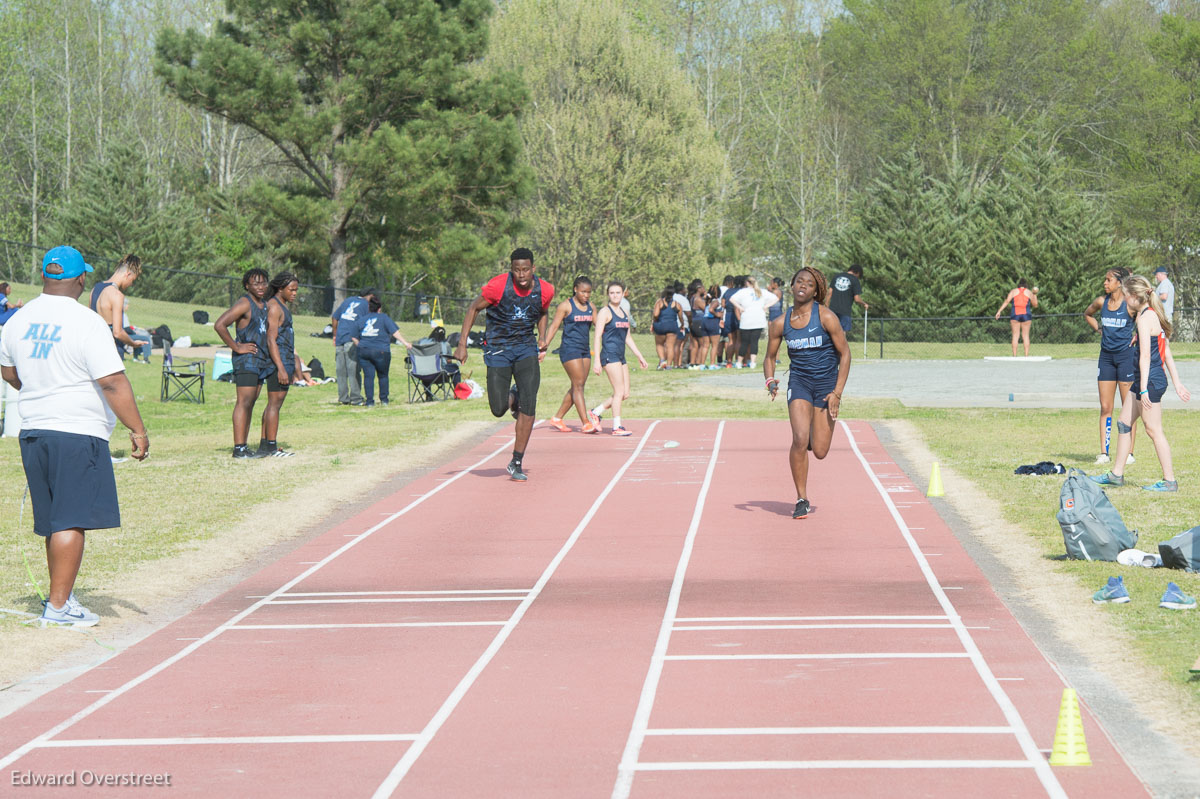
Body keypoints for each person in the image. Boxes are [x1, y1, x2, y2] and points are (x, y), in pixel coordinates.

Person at [0, 245, 148, 627]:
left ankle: (59, 596)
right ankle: (60, 606)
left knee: (53, 520)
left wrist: (40, 386)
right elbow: (113, 381)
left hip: (32, 430)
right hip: (76, 431)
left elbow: (9, 373)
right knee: (71, 520)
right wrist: (137, 429)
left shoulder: (17, 319)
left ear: (46, 276)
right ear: (81, 278)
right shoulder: (86, 322)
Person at [455, 248, 555, 481]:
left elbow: (543, 312)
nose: (521, 275)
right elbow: (473, 308)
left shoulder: (545, 289)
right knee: (498, 409)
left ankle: (516, 461)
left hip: (525, 349)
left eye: (526, 270)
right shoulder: (498, 286)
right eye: (517, 270)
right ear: (512, 270)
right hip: (498, 349)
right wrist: (462, 345)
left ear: (533, 269)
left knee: (529, 403)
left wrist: (542, 337)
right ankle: (513, 396)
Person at [764, 267, 851, 520]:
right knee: (799, 440)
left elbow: (845, 354)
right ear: (792, 286)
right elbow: (769, 357)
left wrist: (837, 392)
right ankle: (801, 498)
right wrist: (770, 380)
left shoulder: (826, 317)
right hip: (799, 383)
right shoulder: (780, 323)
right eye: (799, 281)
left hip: (826, 386)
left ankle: (815, 432)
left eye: (809, 284)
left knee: (820, 451)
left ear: (816, 290)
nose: (803, 286)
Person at [1091, 275, 1189, 492]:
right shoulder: (1149, 316)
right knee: (1124, 423)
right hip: (1147, 380)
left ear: (1135, 297)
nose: (1125, 302)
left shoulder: (1145, 319)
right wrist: (1178, 383)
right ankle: (1116, 474)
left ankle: (1169, 481)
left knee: (1153, 430)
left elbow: (1146, 357)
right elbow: (1166, 354)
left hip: (1150, 382)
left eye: (1127, 297)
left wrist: (1143, 389)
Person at [213, 268, 273, 458]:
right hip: (247, 360)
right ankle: (239, 448)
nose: (261, 286)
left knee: (251, 403)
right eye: (256, 283)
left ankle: (244, 446)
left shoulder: (264, 304)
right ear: (247, 285)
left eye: (264, 282)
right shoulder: (244, 303)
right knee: (244, 402)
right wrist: (237, 347)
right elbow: (220, 324)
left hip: (261, 359)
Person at [1084, 267, 1137, 465]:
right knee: (1106, 406)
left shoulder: (1130, 303)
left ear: (1119, 282)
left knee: (1129, 407)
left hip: (1126, 359)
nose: (1105, 283)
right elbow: (1087, 314)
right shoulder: (1101, 302)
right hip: (1106, 358)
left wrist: (1139, 333)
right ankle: (1104, 453)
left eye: (1108, 280)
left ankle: (1129, 453)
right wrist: (1099, 328)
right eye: (1105, 280)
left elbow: (1144, 315)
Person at [541, 276, 600, 433]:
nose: (586, 295)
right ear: (575, 289)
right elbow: (554, 326)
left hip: (585, 350)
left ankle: (557, 418)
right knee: (578, 385)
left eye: (589, 292)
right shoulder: (566, 306)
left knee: (578, 385)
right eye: (583, 292)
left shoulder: (591, 307)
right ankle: (586, 423)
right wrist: (543, 347)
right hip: (569, 348)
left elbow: (600, 326)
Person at [591, 281, 648, 435]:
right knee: (618, 391)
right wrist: (596, 361)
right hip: (609, 354)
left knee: (624, 393)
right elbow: (597, 337)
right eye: (612, 293)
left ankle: (596, 412)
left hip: (621, 356)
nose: (615, 295)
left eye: (618, 292)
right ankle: (617, 426)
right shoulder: (605, 312)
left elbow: (627, 337)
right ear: (608, 294)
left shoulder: (624, 313)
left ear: (623, 293)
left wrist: (639, 356)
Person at [260, 272, 301, 457]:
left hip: (286, 359)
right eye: (291, 290)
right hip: (278, 361)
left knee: (272, 405)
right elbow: (271, 339)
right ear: (280, 288)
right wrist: (281, 368)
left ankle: (264, 445)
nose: (294, 293)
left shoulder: (282, 306)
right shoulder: (275, 307)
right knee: (274, 405)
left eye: (296, 290)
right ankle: (271, 447)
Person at [351, 296, 412, 406]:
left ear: (369, 308)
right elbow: (394, 332)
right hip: (381, 351)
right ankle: (384, 400)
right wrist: (405, 343)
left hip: (364, 351)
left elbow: (354, 337)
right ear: (379, 308)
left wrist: (360, 345)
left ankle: (370, 402)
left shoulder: (362, 319)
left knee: (368, 377)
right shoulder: (384, 318)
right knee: (383, 376)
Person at [89, 254, 142, 360]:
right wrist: (133, 344)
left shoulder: (95, 288)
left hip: (93, 350)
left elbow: (90, 322)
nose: (131, 284)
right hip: (111, 354)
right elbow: (117, 332)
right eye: (133, 280)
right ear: (127, 274)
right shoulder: (117, 295)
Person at [330, 286, 377, 406]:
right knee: (353, 370)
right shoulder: (365, 305)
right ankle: (356, 399)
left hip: (340, 338)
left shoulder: (348, 300)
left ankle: (343, 398)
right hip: (352, 340)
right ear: (370, 295)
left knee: (341, 370)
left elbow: (335, 318)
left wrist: (335, 335)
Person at [730, 276, 779, 369]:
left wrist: (740, 307)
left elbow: (732, 299)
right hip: (759, 319)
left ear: (747, 283)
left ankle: (739, 362)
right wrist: (766, 306)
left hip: (746, 320)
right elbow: (776, 298)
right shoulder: (762, 291)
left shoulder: (743, 292)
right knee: (754, 342)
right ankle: (753, 362)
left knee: (744, 342)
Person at [994, 278, 1039, 357]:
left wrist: (999, 311)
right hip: (1026, 315)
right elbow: (1035, 305)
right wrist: (1035, 294)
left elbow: (1007, 301)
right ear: (1026, 285)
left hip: (1015, 315)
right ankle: (1026, 356)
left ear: (1019, 285)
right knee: (1025, 336)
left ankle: (1014, 355)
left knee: (1015, 335)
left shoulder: (1013, 291)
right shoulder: (1029, 292)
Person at [826, 264, 867, 334]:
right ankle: (841, 345)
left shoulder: (836, 276)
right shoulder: (855, 280)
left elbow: (829, 292)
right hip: (845, 311)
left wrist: (826, 305)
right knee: (842, 332)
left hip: (833, 309)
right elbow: (857, 299)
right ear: (857, 273)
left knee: (831, 331)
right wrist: (864, 304)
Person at [651, 287, 684, 369]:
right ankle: (669, 365)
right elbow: (681, 317)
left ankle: (662, 361)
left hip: (660, 325)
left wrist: (654, 322)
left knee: (659, 344)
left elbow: (655, 314)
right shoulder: (677, 304)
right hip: (672, 326)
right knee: (670, 346)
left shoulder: (660, 302)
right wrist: (682, 325)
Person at [120, 298, 153, 363]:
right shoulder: (123, 314)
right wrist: (134, 332)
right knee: (145, 338)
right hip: (125, 335)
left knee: (138, 338)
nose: (128, 306)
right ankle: (146, 359)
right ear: (124, 305)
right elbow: (127, 329)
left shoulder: (118, 313)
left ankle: (136, 358)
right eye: (127, 305)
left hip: (122, 334)